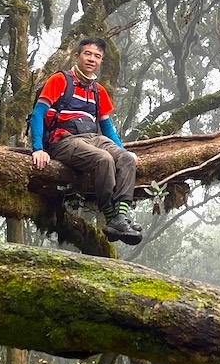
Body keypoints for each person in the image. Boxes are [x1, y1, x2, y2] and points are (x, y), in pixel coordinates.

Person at [30, 36, 141, 244]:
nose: (92, 59)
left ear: (101, 61)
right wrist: (38, 148)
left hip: (93, 137)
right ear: (77, 56)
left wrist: (123, 149)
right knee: (103, 159)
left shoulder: (98, 91)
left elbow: (106, 126)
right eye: (88, 53)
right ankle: (110, 215)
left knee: (125, 158)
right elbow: (38, 114)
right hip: (63, 139)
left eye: (97, 56)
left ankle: (122, 216)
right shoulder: (60, 80)